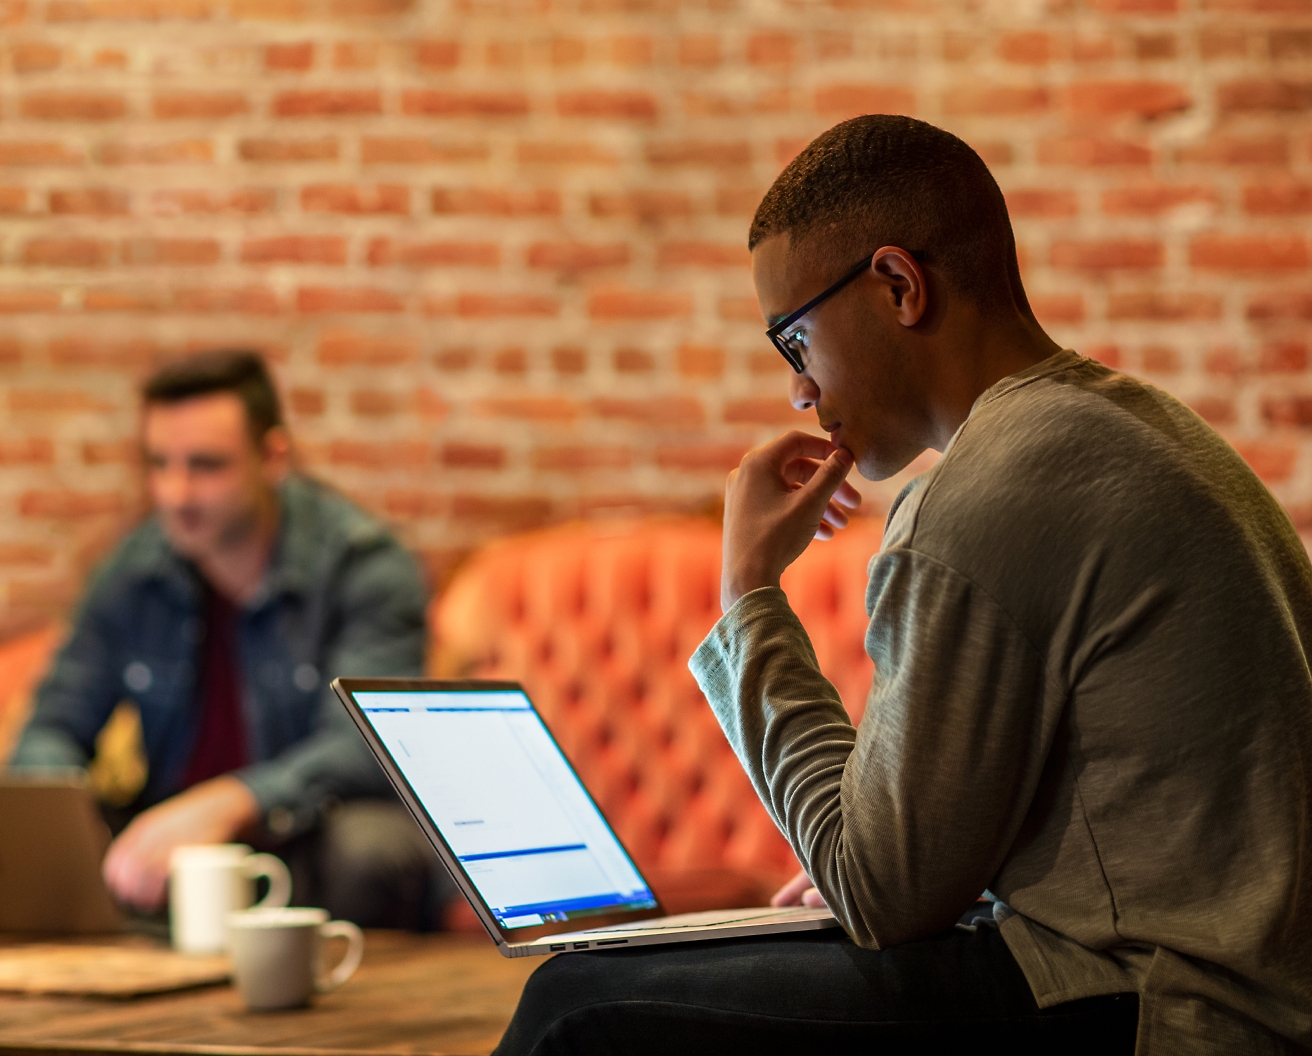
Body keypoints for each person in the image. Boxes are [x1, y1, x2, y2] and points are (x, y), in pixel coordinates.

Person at [493, 116, 1312, 1055]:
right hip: (1225, 993)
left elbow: (876, 893)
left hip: (1160, 1011)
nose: (799, 391)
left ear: (897, 285)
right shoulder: (1141, 426)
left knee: (577, 1005)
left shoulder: (984, 493)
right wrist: (880, 864)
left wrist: (747, 592)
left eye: (793, 340)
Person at [11, 350, 452, 929]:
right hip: (177, 841)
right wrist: (64, 822)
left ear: (273, 457)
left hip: (307, 830)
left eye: (206, 466)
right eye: (159, 465)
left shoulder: (363, 566)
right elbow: (52, 728)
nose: (176, 494)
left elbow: (369, 749)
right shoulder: (132, 571)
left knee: (370, 849)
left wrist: (234, 801)